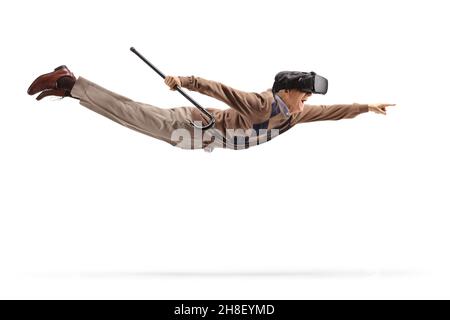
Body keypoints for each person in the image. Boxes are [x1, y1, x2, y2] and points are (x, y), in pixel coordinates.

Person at [27, 66, 395, 151]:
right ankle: (69, 82)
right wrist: (185, 81)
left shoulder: (293, 115)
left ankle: (70, 92)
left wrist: (365, 106)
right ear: (287, 90)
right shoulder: (262, 103)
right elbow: (222, 90)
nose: (309, 101)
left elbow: (333, 111)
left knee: (128, 119)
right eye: (305, 94)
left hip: (196, 139)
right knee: (131, 112)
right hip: (191, 125)